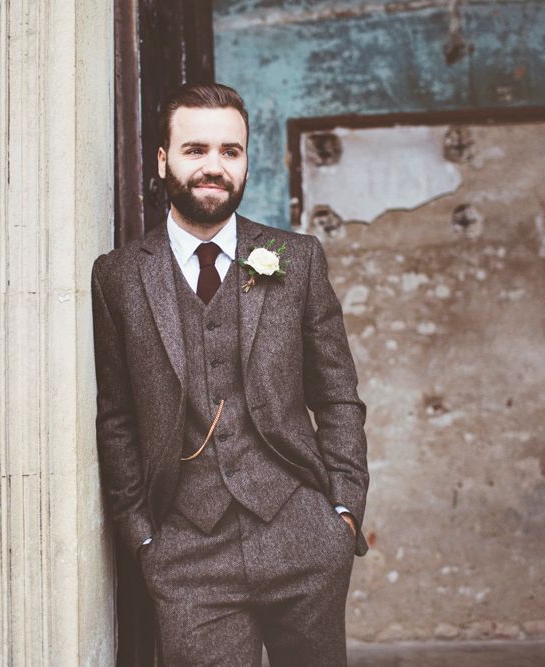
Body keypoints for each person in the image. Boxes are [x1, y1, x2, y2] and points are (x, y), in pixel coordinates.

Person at [91, 82, 369, 666]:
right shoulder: (118, 276)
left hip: (303, 538)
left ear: (246, 160)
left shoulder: (297, 259)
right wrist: (142, 537)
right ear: (163, 160)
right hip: (187, 552)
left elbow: (338, 395)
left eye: (230, 151)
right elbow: (117, 418)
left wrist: (342, 513)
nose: (214, 167)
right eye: (195, 150)